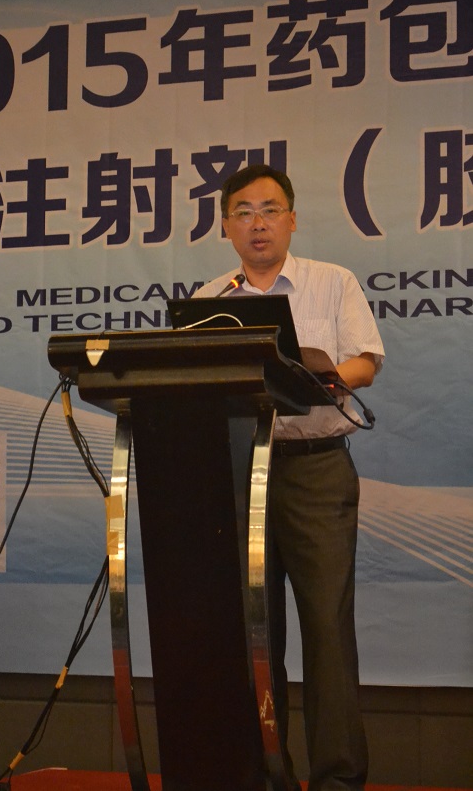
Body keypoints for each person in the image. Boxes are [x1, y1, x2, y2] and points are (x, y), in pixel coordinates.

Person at [195, 163, 384, 791]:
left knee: (327, 629)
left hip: (315, 471)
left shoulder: (332, 282)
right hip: (236, 473)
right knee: (254, 633)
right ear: (225, 226)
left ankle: (337, 781)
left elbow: (365, 363)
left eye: (270, 210)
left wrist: (312, 378)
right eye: (243, 212)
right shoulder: (207, 301)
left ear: (293, 220)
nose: (258, 224)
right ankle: (265, 776)